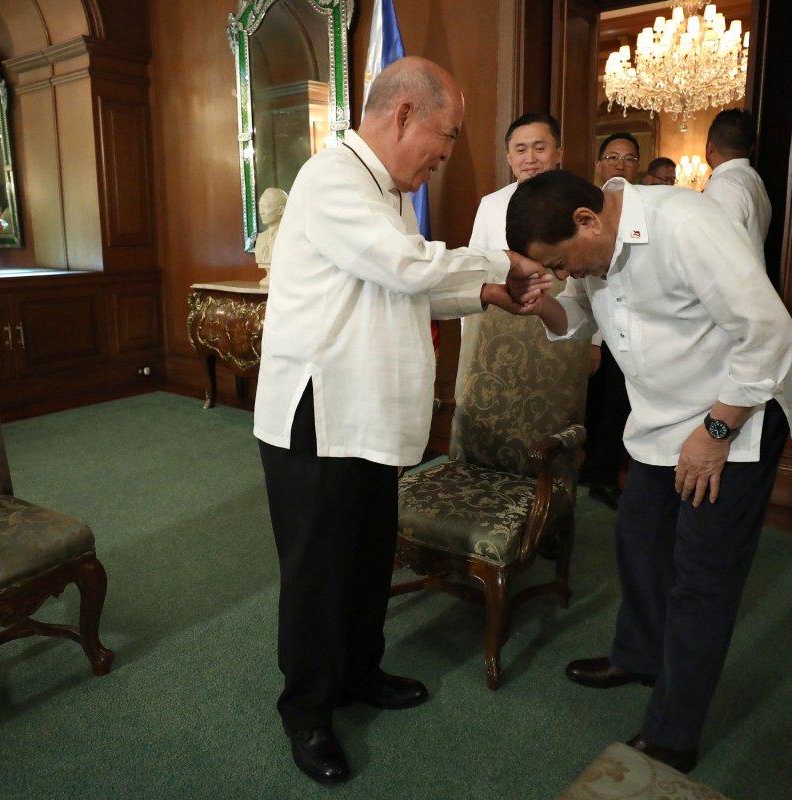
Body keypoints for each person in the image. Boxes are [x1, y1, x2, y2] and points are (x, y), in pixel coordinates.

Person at [251, 56, 551, 786]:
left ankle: (359, 672)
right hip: (319, 413)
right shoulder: (333, 178)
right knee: (319, 572)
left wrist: (483, 293)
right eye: (447, 135)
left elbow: (403, 288)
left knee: (364, 557)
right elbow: (406, 266)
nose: (447, 154)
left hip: (365, 412)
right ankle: (307, 709)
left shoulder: (386, 192)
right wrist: (500, 264)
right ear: (404, 114)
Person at [505, 169, 792, 773]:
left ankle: (674, 734)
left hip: (734, 413)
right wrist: (541, 307)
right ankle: (639, 656)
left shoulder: (686, 225)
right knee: (639, 537)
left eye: (561, 264)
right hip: (661, 418)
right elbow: (578, 321)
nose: (563, 276)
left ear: (587, 220)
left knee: (702, 576)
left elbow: (770, 333)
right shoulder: (594, 247)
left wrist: (716, 432)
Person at [582, 132, 641, 509]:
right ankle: (587, 471)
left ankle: (603, 475)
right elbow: (586, 283)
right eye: (613, 157)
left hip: (631, 334)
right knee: (592, 406)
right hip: (595, 330)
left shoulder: (644, 210)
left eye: (629, 158)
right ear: (599, 164)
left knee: (617, 407)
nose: (620, 164)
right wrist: (593, 342)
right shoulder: (586, 210)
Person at [468, 112, 564, 250]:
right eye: (521, 150)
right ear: (509, 158)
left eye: (539, 149)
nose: (530, 159)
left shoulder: (581, 200)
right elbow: (476, 259)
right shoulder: (490, 205)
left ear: (559, 154)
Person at [702, 109, 771, 261]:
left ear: (710, 147)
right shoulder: (754, 179)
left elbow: (719, 251)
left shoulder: (724, 185)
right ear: (751, 148)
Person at [252, 186, 288, 287]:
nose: (261, 211)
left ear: (281, 210)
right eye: (260, 207)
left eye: (266, 207)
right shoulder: (260, 238)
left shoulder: (288, 238)